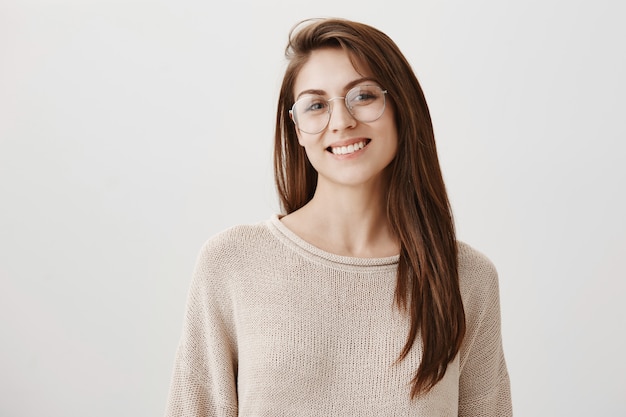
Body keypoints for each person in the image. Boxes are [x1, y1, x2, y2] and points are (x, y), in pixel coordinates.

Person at [165, 17, 512, 416]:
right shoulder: (232, 262)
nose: (342, 121)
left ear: (401, 105)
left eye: (362, 96)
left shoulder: (466, 277)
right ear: (296, 128)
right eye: (316, 105)